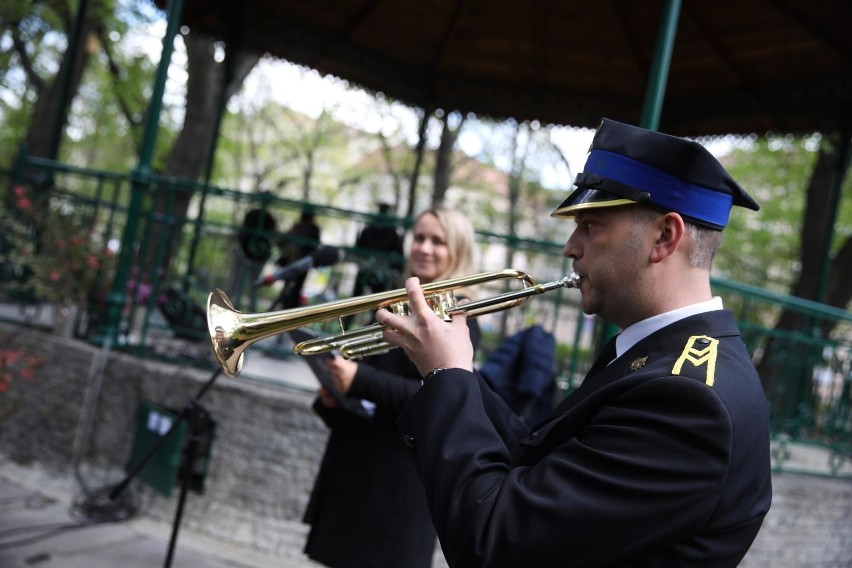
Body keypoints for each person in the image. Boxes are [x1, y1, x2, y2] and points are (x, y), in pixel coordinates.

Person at [376, 118, 773, 567]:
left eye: (590, 226)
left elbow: (494, 543)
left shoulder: (689, 402)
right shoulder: (659, 357)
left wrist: (444, 376)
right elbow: (543, 460)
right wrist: (456, 370)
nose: (570, 246)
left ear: (665, 236)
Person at [302, 207, 481, 568]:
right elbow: (366, 375)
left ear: (458, 251)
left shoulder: (458, 316)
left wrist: (359, 380)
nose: (424, 248)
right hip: (355, 470)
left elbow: (437, 394)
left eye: (438, 241)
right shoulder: (395, 300)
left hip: (396, 486)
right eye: (419, 238)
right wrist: (336, 392)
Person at [352, 202, 405, 296]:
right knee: (359, 292)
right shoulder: (369, 231)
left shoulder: (391, 233)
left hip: (382, 269)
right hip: (367, 267)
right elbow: (359, 249)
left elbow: (399, 254)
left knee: (378, 296)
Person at [273, 208, 321, 310]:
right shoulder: (309, 229)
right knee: (294, 288)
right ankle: (288, 309)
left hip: (296, 262)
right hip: (301, 263)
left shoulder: (299, 227)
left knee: (291, 288)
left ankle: (286, 308)